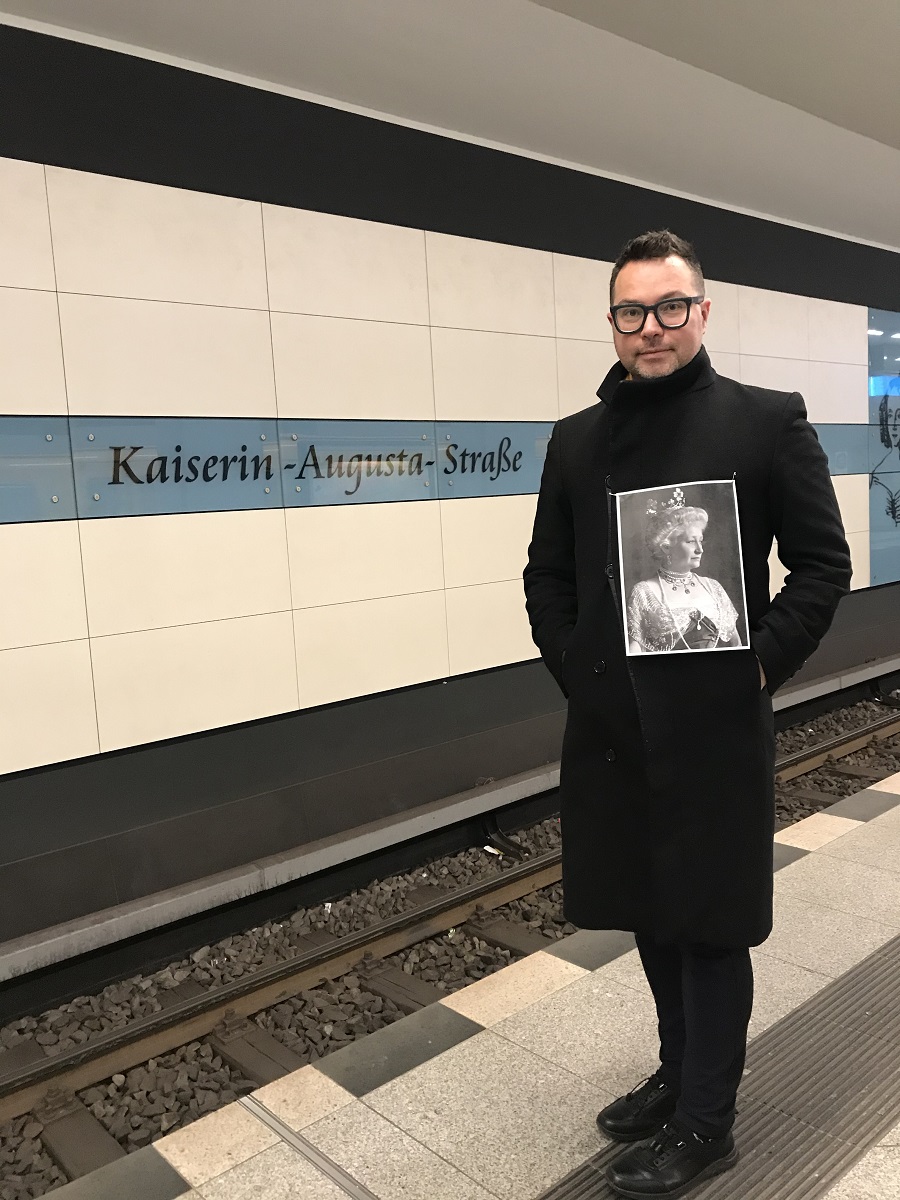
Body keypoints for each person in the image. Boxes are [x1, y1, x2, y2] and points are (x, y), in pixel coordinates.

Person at [523, 230, 851, 1197]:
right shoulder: (577, 439)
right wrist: (578, 671)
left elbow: (822, 567)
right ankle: (678, 1074)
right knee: (648, 914)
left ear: (702, 313)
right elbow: (548, 575)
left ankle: (707, 1122)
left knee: (708, 924)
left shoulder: (765, 422)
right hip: (613, 731)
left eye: (670, 307)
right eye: (631, 311)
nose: (651, 328)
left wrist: (759, 667)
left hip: (713, 730)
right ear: (613, 323)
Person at [626, 496, 742, 654]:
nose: (700, 549)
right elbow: (635, 650)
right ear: (666, 547)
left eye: (701, 541)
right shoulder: (644, 592)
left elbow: (737, 644)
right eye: (691, 541)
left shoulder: (713, 587)